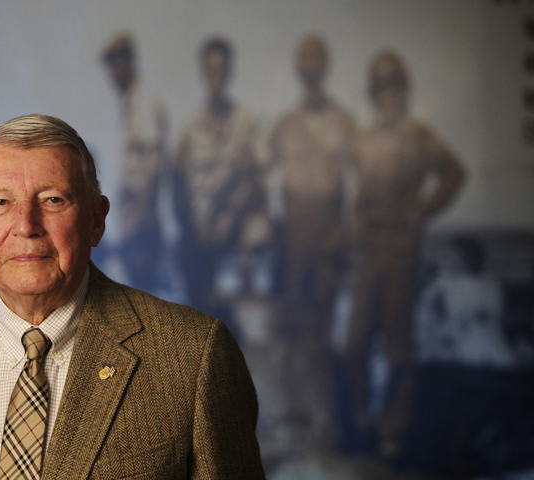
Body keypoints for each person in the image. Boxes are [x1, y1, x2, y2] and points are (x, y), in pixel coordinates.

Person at [0, 114, 264, 479]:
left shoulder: (193, 357)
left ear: (96, 220)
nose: (26, 225)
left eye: (53, 200)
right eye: (1, 202)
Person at [343, 52, 466, 457]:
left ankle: (395, 434)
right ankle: (363, 425)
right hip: (371, 251)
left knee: (398, 343)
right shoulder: (365, 139)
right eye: (381, 90)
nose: (388, 97)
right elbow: (361, 193)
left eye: (394, 88)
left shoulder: (418, 135)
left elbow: (454, 173)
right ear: (373, 94)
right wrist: (358, 220)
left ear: (404, 91)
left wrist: (422, 211)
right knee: (356, 342)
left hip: (401, 248)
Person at [269, 34, 357, 450]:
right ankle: (296, 423)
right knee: (293, 329)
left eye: (317, 60)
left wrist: (349, 232)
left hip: (330, 245)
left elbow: (362, 182)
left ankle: (329, 427)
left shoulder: (344, 123)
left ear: (326, 66)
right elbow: (264, 178)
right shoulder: (285, 125)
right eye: (305, 60)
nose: (311, 67)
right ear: (298, 69)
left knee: (325, 331)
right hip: (293, 247)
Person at [175, 37, 269, 321]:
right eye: (210, 70)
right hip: (202, 238)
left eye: (222, 70)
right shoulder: (190, 128)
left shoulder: (248, 122)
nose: (216, 77)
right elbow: (180, 189)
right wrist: (196, 225)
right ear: (203, 74)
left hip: (237, 234)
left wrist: (230, 215)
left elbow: (259, 182)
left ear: (230, 73)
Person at [101, 33, 166, 291]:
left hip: (142, 210)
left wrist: (141, 213)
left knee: (143, 287)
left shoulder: (145, 102)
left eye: (115, 65)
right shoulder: (128, 105)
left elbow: (154, 160)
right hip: (130, 210)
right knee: (133, 284)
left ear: (127, 63)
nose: (113, 74)